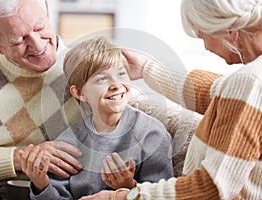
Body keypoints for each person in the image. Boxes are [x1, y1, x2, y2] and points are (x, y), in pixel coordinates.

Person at [80, 0, 262, 199]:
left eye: (201, 34)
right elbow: (218, 93)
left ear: (229, 30)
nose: (205, 46)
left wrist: (121, 197)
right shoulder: (257, 78)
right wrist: (147, 68)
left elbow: (212, 188)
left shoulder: (253, 80)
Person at [20, 37, 174, 200]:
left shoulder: (152, 134)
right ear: (79, 93)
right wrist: (41, 184)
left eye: (121, 73)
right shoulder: (69, 141)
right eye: (102, 78)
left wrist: (128, 188)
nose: (116, 84)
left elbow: (165, 194)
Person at [0, 0, 85, 199]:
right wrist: (20, 159)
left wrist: (145, 69)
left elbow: (143, 119)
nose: (38, 45)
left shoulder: (87, 66)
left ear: (47, 10)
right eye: (18, 40)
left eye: (39, 27)